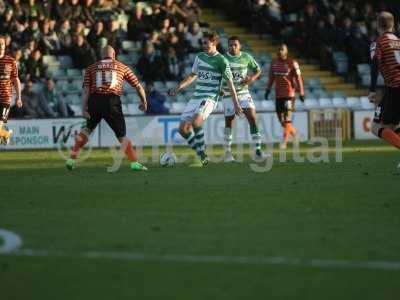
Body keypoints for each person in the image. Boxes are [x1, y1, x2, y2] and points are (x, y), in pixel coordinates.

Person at [66, 45, 148, 171]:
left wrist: (84, 109)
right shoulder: (122, 67)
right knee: (122, 135)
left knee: (87, 130)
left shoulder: (91, 68)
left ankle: (71, 159)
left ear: (101, 55)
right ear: (114, 55)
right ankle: (134, 163)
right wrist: (144, 101)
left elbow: (86, 91)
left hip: (95, 100)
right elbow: (137, 86)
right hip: (112, 101)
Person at [168, 32, 242, 166]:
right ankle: (201, 153)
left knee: (196, 122)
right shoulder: (200, 57)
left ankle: (202, 153)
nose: (203, 45)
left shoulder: (221, 61)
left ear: (214, 43)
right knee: (182, 130)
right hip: (196, 96)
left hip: (210, 98)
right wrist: (178, 87)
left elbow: (230, 83)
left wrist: (236, 104)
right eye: (202, 43)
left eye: (206, 43)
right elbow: (192, 75)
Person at [222, 36, 265, 162]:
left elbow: (258, 70)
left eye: (235, 44)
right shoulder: (223, 59)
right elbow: (218, 75)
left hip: (244, 93)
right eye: (230, 45)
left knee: (252, 117)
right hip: (228, 94)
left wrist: (251, 79)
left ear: (240, 46)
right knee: (229, 122)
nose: (233, 47)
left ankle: (258, 151)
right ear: (227, 46)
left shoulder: (246, 57)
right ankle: (228, 152)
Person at [369, 12, 400, 168]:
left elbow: (375, 64)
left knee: (376, 127)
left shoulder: (379, 42)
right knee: (392, 127)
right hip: (395, 88)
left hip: (394, 89)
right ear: (392, 25)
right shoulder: (399, 41)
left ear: (377, 25)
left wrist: (372, 90)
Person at [265, 44, 304, 149]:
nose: (280, 51)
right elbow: (271, 78)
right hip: (278, 95)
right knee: (281, 120)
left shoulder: (292, 63)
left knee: (287, 119)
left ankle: (284, 142)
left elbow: (298, 78)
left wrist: (301, 92)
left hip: (289, 95)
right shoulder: (274, 63)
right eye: (279, 49)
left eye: (282, 49)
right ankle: (295, 134)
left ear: (287, 51)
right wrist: (268, 90)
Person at [0, 35, 22, 145]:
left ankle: (4, 133)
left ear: (5, 45)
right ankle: (5, 133)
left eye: (2, 44)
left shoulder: (10, 61)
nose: (0, 46)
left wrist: (18, 97)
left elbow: (16, 80)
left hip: (5, 98)